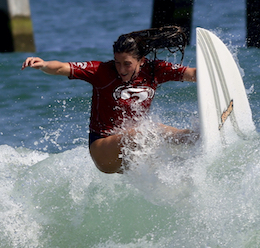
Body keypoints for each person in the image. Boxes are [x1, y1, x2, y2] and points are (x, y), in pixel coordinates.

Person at [22, 26, 197, 173]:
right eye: (117, 62)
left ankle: (199, 142)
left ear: (141, 61)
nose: (121, 69)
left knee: (178, 136)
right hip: (103, 150)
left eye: (127, 63)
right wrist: (44, 65)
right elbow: (61, 68)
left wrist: (215, 74)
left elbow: (193, 74)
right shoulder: (101, 71)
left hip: (131, 148)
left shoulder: (154, 70)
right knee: (147, 131)